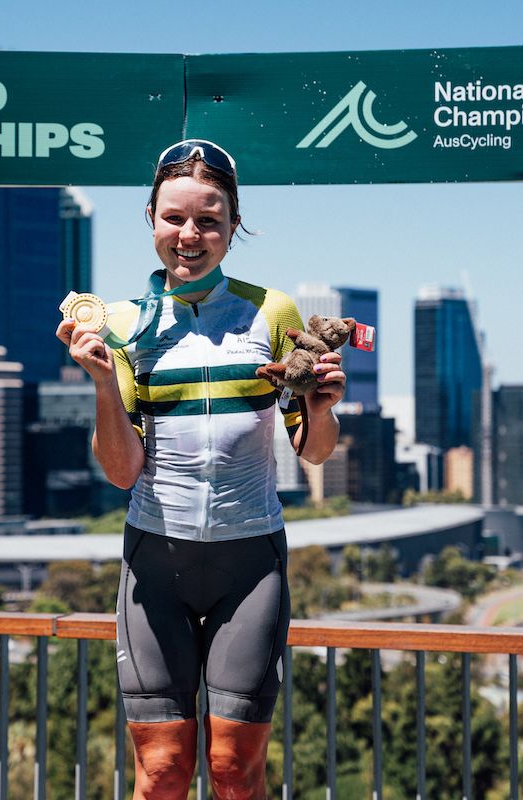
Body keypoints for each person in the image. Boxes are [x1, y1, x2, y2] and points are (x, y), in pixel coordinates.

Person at [56, 139, 346, 799]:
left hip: (249, 565)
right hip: (155, 561)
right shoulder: (122, 324)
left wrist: (322, 408)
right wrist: (103, 382)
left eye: (209, 220)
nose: (190, 235)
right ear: (151, 219)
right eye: (175, 218)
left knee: (232, 772)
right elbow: (123, 472)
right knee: (160, 774)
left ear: (233, 224)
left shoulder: (272, 312)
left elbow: (316, 451)